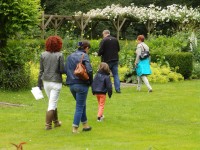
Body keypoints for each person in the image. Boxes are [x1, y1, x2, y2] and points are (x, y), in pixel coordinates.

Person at [65, 40, 93, 133]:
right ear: (86, 48)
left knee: (82, 104)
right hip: (82, 84)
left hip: (71, 84)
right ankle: (75, 128)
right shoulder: (84, 56)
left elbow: (66, 70)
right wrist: (91, 82)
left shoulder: (70, 56)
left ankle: (85, 125)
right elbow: (89, 70)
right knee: (80, 106)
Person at [38, 35, 64, 130]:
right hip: (56, 81)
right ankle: (48, 125)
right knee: (52, 104)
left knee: (52, 102)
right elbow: (61, 69)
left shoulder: (43, 54)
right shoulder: (60, 55)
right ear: (59, 44)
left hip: (46, 81)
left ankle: (56, 122)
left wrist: (39, 83)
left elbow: (41, 70)